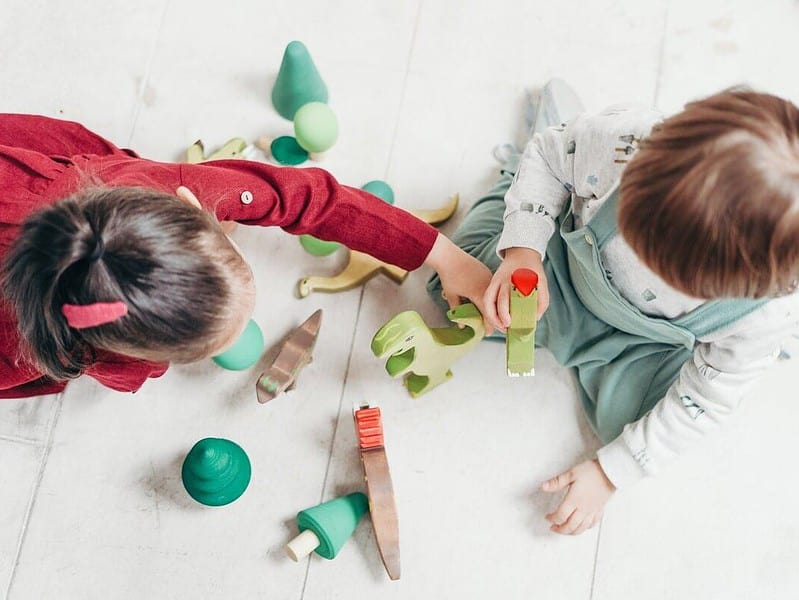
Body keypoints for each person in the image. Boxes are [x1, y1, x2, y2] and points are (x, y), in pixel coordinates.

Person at [428, 81, 799, 535]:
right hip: (560, 271)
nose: (647, 264)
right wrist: (523, 251)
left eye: (674, 276)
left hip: (646, 344)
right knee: (449, 285)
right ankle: (523, 166)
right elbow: (550, 156)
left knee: (632, 431)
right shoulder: (625, 142)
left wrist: (610, 473)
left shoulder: (766, 313)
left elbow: (703, 400)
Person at [0, 114, 492, 399]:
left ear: (192, 206)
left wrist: (443, 256)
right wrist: (138, 370)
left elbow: (308, 197)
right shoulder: (33, 352)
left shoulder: (167, 186)